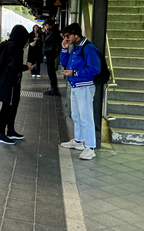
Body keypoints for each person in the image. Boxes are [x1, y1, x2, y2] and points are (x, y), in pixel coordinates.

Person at [60, 23, 101, 160]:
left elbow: (95, 69)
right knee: (76, 115)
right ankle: (79, 140)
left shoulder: (88, 48)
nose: (66, 38)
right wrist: (64, 49)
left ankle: (90, 146)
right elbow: (65, 64)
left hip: (84, 86)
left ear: (75, 34)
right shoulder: (76, 47)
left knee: (86, 117)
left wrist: (75, 73)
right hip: (76, 86)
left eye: (67, 36)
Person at [0, 25, 33, 145]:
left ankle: (10, 130)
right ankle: (0, 134)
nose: (27, 42)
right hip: (8, 82)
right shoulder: (16, 48)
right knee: (6, 107)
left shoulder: (9, 45)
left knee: (12, 106)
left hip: (8, 81)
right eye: (26, 39)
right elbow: (16, 67)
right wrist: (27, 67)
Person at [42, 19, 62, 96]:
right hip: (52, 52)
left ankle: (54, 89)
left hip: (50, 52)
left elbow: (45, 41)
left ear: (49, 25)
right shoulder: (55, 31)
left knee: (51, 71)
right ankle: (53, 88)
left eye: (46, 25)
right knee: (51, 70)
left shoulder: (52, 32)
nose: (45, 26)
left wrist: (43, 34)